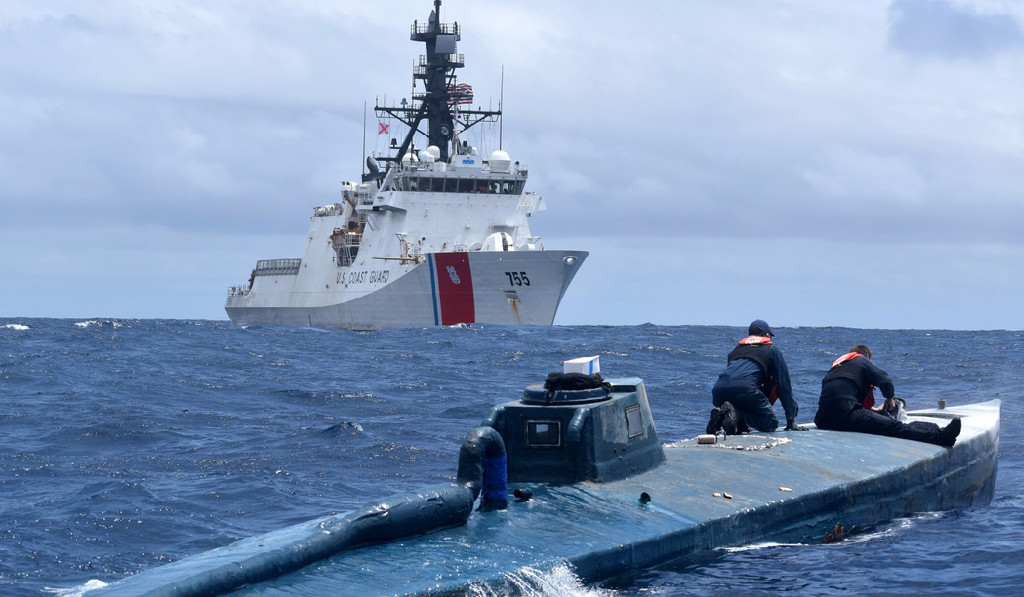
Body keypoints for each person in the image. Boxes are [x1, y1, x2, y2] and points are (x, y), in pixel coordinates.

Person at [814, 344, 961, 447]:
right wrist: (890, 400)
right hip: (846, 415)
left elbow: (840, 401)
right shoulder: (861, 360)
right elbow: (885, 381)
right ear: (867, 357)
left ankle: (938, 432)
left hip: (823, 420)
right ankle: (942, 436)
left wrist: (875, 411)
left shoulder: (836, 368)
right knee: (895, 427)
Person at [707, 319, 802, 435]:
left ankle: (723, 415)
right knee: (770, 423)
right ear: (767, 335)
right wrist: (790, 419)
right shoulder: (771, 349)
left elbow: (735, 378)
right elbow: (784, 384)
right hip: (745, 389)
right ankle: (736, 414)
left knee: (738, 419)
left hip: (718, 391)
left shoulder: (735, 351)